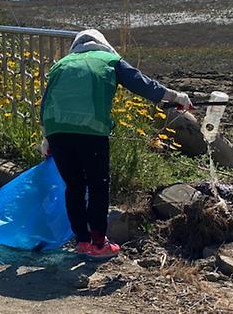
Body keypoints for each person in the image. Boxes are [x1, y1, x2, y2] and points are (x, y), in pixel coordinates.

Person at [40, 29, 191, 259]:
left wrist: (46, 137)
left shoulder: (60, 65)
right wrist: (177, 97)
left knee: (74, 186)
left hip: (57, 130)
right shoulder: (109, 60)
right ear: (103, 44)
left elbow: (46, 101)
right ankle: (99, 244)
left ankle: (82, 241)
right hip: (91, 131)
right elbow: (144, 84)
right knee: (98, 184)